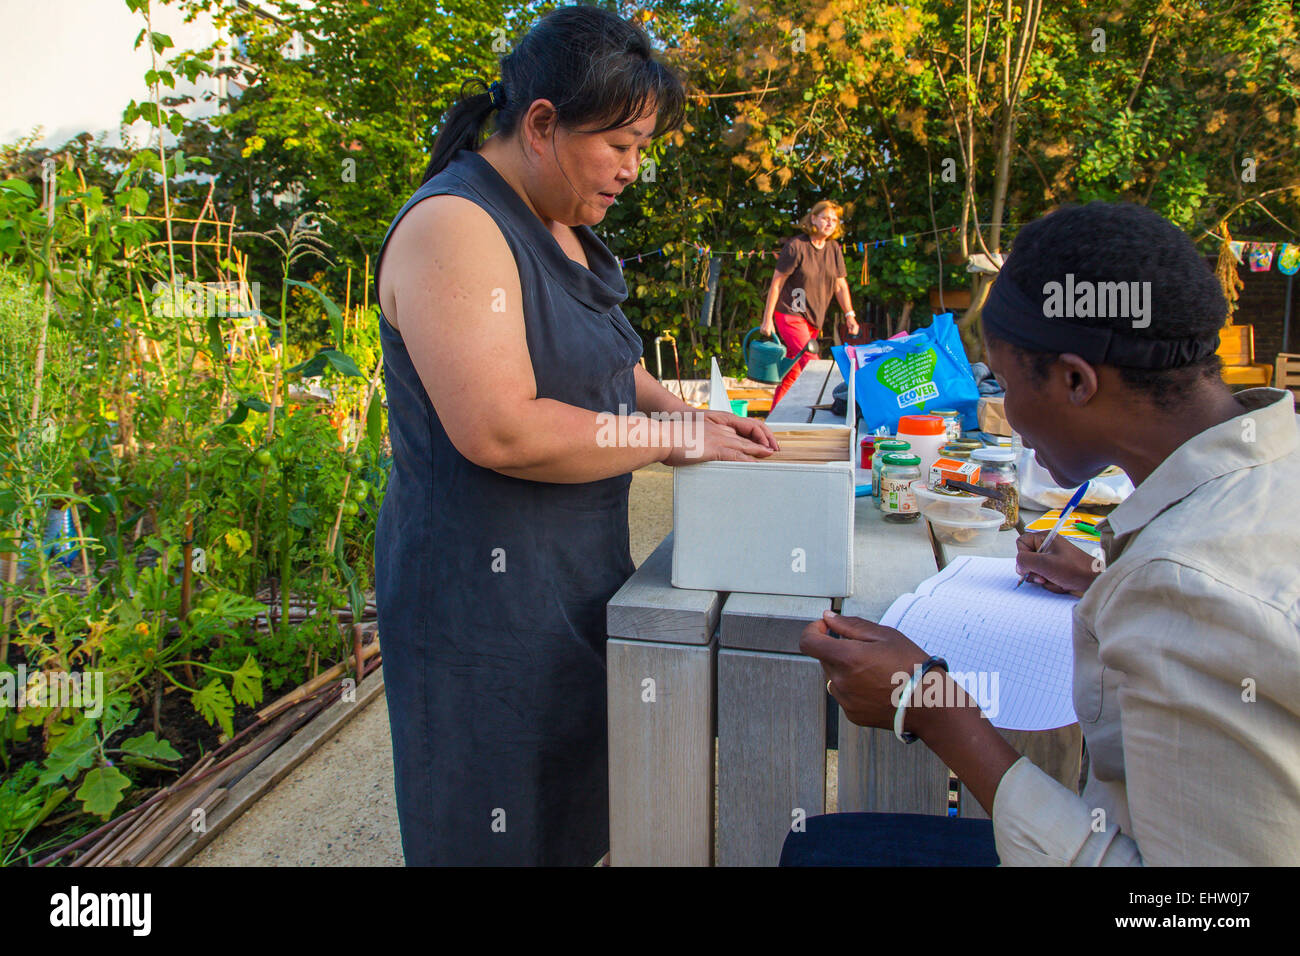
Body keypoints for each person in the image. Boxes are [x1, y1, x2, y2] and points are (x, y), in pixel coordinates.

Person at [372, 5, 779, 866]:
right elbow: (502, 430)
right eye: (621, 145)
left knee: (570, 818)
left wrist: (686, 414)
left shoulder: (563, 225)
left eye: (642, 149)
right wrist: (674, 440)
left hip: (575, 579)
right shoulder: (457, 226)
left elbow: (607, 365)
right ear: (543, 123)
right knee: (492, 827)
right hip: (479, 605)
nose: (634, 170)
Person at [787, 201, 1300, 865]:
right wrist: (1102, 579)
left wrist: (931, 706)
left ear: (1075, 380)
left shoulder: (1189, 592)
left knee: (821, 854)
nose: (1001, 412)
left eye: (1001, 381)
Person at [761, 201, 860, 407]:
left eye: (834, 220)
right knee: (812, 362)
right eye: (825, 218)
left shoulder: (833, 249)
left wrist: (850, 314)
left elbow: (840, 286)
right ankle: (828, 409)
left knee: (793, 369)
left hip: (813, 319)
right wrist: (767, 319)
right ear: (813, 218)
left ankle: (774, 418)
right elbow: (777, 283)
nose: (829, 223)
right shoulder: (797, 246)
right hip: (790, 314)